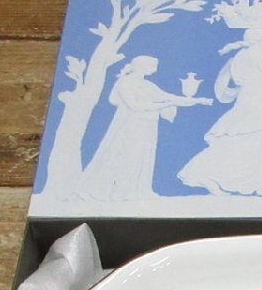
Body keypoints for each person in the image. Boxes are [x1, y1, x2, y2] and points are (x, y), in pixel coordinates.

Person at [178, 25, 262, 198]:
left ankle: (259, 183)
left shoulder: (241, 57)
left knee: (248, 141)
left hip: (256, 100)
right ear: (260, 39)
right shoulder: (259, 57)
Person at [78, 56, 211, 200]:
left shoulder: (147, 85)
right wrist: (165, 105)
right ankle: (118, 191)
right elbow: (135, 106)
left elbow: (169, 97)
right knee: (129, 156)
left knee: (143, 157)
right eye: (152, 65)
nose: (155, 68)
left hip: (147, 125)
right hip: (131, 125)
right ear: (141, 66)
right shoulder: (125, 83)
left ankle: (135, 190)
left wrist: (197, 100)